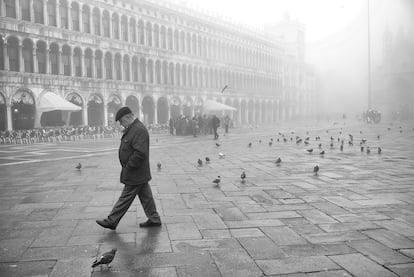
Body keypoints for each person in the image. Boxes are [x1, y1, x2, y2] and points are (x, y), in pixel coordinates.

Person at [96, 107, 161, 230]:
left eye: (121, 121)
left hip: (135, 171)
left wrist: (129, 166)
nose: (121, 124)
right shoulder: (133, 128)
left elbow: (140, 153)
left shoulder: (138, 130)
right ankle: (154, 219)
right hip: (138, 172)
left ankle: (112, 221)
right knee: (146, 196)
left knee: (125, 197)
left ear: (128, 117)